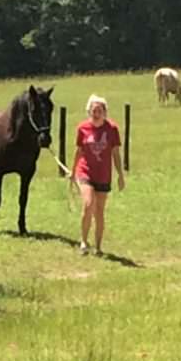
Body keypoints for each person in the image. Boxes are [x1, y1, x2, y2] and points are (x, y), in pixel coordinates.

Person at [70, 94, 125, 255]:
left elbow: (115, 153)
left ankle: (98, 246)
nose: (96, 113)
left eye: (100, 110)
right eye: (94, 110)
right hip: (85, 172)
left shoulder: (112, 129)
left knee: (99, 211)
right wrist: (73, 172)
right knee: (88, 204)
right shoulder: (82, 128)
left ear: (105, 112)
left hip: (103, 174)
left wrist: (120, 175)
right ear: (89, 111)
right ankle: (83, 241)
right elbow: (79, 151)